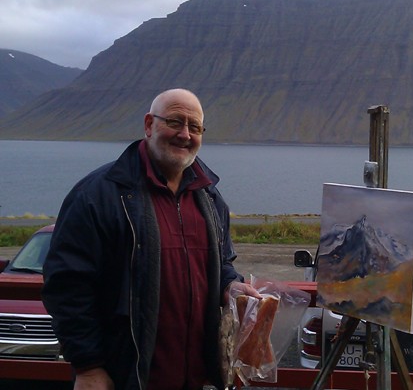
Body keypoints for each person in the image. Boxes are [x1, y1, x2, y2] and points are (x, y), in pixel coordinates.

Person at [42, 88, 259, 390]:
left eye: (195, 127)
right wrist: (88, 366)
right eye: (175, 122)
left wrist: (229, 285)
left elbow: (219, 263)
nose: (185, 135)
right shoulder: (97, 195)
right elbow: (67, 285)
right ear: (148, 125)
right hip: (125, 378)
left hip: (197, 379)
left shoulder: (209, 198)